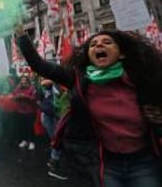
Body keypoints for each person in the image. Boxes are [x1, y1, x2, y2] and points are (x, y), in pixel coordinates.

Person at [15, 25, 162, 187]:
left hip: (143, 161)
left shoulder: (143, 78)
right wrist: (22, 36)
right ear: (89, 56)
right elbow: (40, 65)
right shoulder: (79, 79)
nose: (99, 45)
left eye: (107, 42)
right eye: (93, 44)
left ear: (121, 53)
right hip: (105, 162)